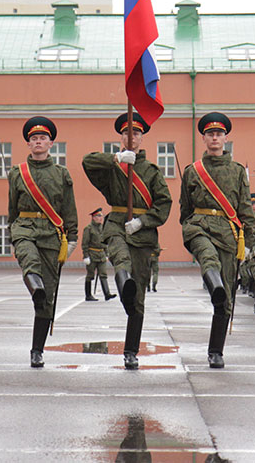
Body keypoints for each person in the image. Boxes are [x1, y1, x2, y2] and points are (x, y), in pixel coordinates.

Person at [83, 112, 171, 370]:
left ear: (143, 137)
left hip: (142, 233)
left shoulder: (152, 171)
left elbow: (164, 202)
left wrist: (144, 221)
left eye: (136, 133)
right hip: (117, 225)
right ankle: (124, 285)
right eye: (126, 134)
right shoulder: (113, 166)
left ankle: (131, 351)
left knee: (138, 298)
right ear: (120, 137)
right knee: (120, 259)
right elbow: (87, 162)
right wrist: (116, 158)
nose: (131, 137)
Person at [180, 112, 255, 367]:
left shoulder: (236, 172)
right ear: (203, 138)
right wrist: (189, 228)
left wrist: (251, 245)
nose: (215, 137)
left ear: (225, 138)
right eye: (210, 134)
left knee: (225, 302)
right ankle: (214, 285)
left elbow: (245, 209)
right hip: (199, 226)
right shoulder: (193, 171)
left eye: (219, 134)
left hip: (228, 233)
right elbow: (185, 209)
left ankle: (216, 352)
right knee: (208, 258)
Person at [9, 117, 78, 368]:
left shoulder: (61, 174)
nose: (38, 142)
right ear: (28, 144)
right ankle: (34, 287)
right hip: (25, 227)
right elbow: (12, 208)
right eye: (34, 139)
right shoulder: (17, 173)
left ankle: (37, 350)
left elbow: (69, 208)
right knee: (30, 261)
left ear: (51, 143)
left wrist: (72, 238)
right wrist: (12, 234)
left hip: (51, 233)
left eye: (42, 139)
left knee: (47, 298)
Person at [82, 208, 116, 301]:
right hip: (92, 254)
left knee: (103, 274)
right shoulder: (88, 229)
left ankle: (107, 294)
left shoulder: (102, 228)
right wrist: (86, 256)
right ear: (93, 217)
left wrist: (106, 253)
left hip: (101, 255)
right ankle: (88, 295)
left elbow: (105, 242)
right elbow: (85, 243)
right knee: (90, 275)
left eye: (101, 216)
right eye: (98, 216)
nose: (101, 218)